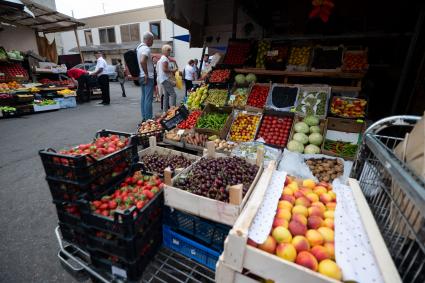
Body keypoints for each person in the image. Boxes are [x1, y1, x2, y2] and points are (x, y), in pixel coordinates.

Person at [137, 31, 155, 120]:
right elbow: (143, 61)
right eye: (152, 40)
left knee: (143, 97)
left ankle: (144, 117)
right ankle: (148, 119)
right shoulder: (146, 49)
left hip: (140, 76)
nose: (153, 42)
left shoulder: (139, 48)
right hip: (147, 77)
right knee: (148, 99)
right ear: (148, 39)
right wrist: (147, 74)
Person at [157, 44, 177, 112]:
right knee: (173, 95)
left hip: (162, 79)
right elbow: (165, 69)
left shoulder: (162, 58)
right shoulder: (165, 59)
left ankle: (165, 111)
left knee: (166, 95)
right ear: (165, 51)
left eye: (170, 51)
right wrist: (173, 70)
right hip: (165, 79)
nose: (169, 52)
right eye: (168, 51)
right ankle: (173, 111)